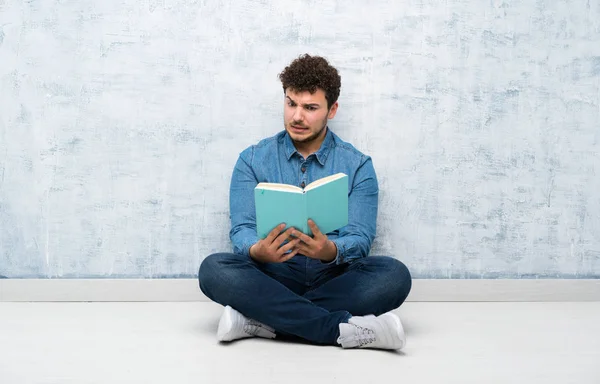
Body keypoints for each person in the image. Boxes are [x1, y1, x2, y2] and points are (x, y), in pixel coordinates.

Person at [198, 54, 412, 350]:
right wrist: (258, 251)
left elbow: (361, 238)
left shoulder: (358, 165)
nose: (297, 116)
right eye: (291, 103)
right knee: (214, 269)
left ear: (332, 109)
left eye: (310, 107)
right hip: (273, 275)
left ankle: (262, 321)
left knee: (394, 276)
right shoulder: (252, 159)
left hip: (333, 277)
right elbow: (242, 230)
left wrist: (330, 251)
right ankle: (340, 330)